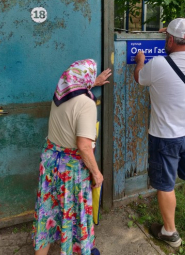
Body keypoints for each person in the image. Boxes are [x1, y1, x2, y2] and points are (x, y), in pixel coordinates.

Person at [134, 18, 185, 247]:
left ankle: (170, 232)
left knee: (166, 183)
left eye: (166, 38)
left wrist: (140, 61)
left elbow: (139, 79)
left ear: (170, 39)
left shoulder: (159, 63)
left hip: (166, 135)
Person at [32, 59, 111, 255]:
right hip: (71, 169)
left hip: (50, 162)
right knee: (75, 212)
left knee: (48, 211)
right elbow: (83, 146)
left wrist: (94, 83)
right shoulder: (86, 104)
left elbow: (77, 89)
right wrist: (97, 173)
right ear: (86, 79)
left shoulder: (59, 96)